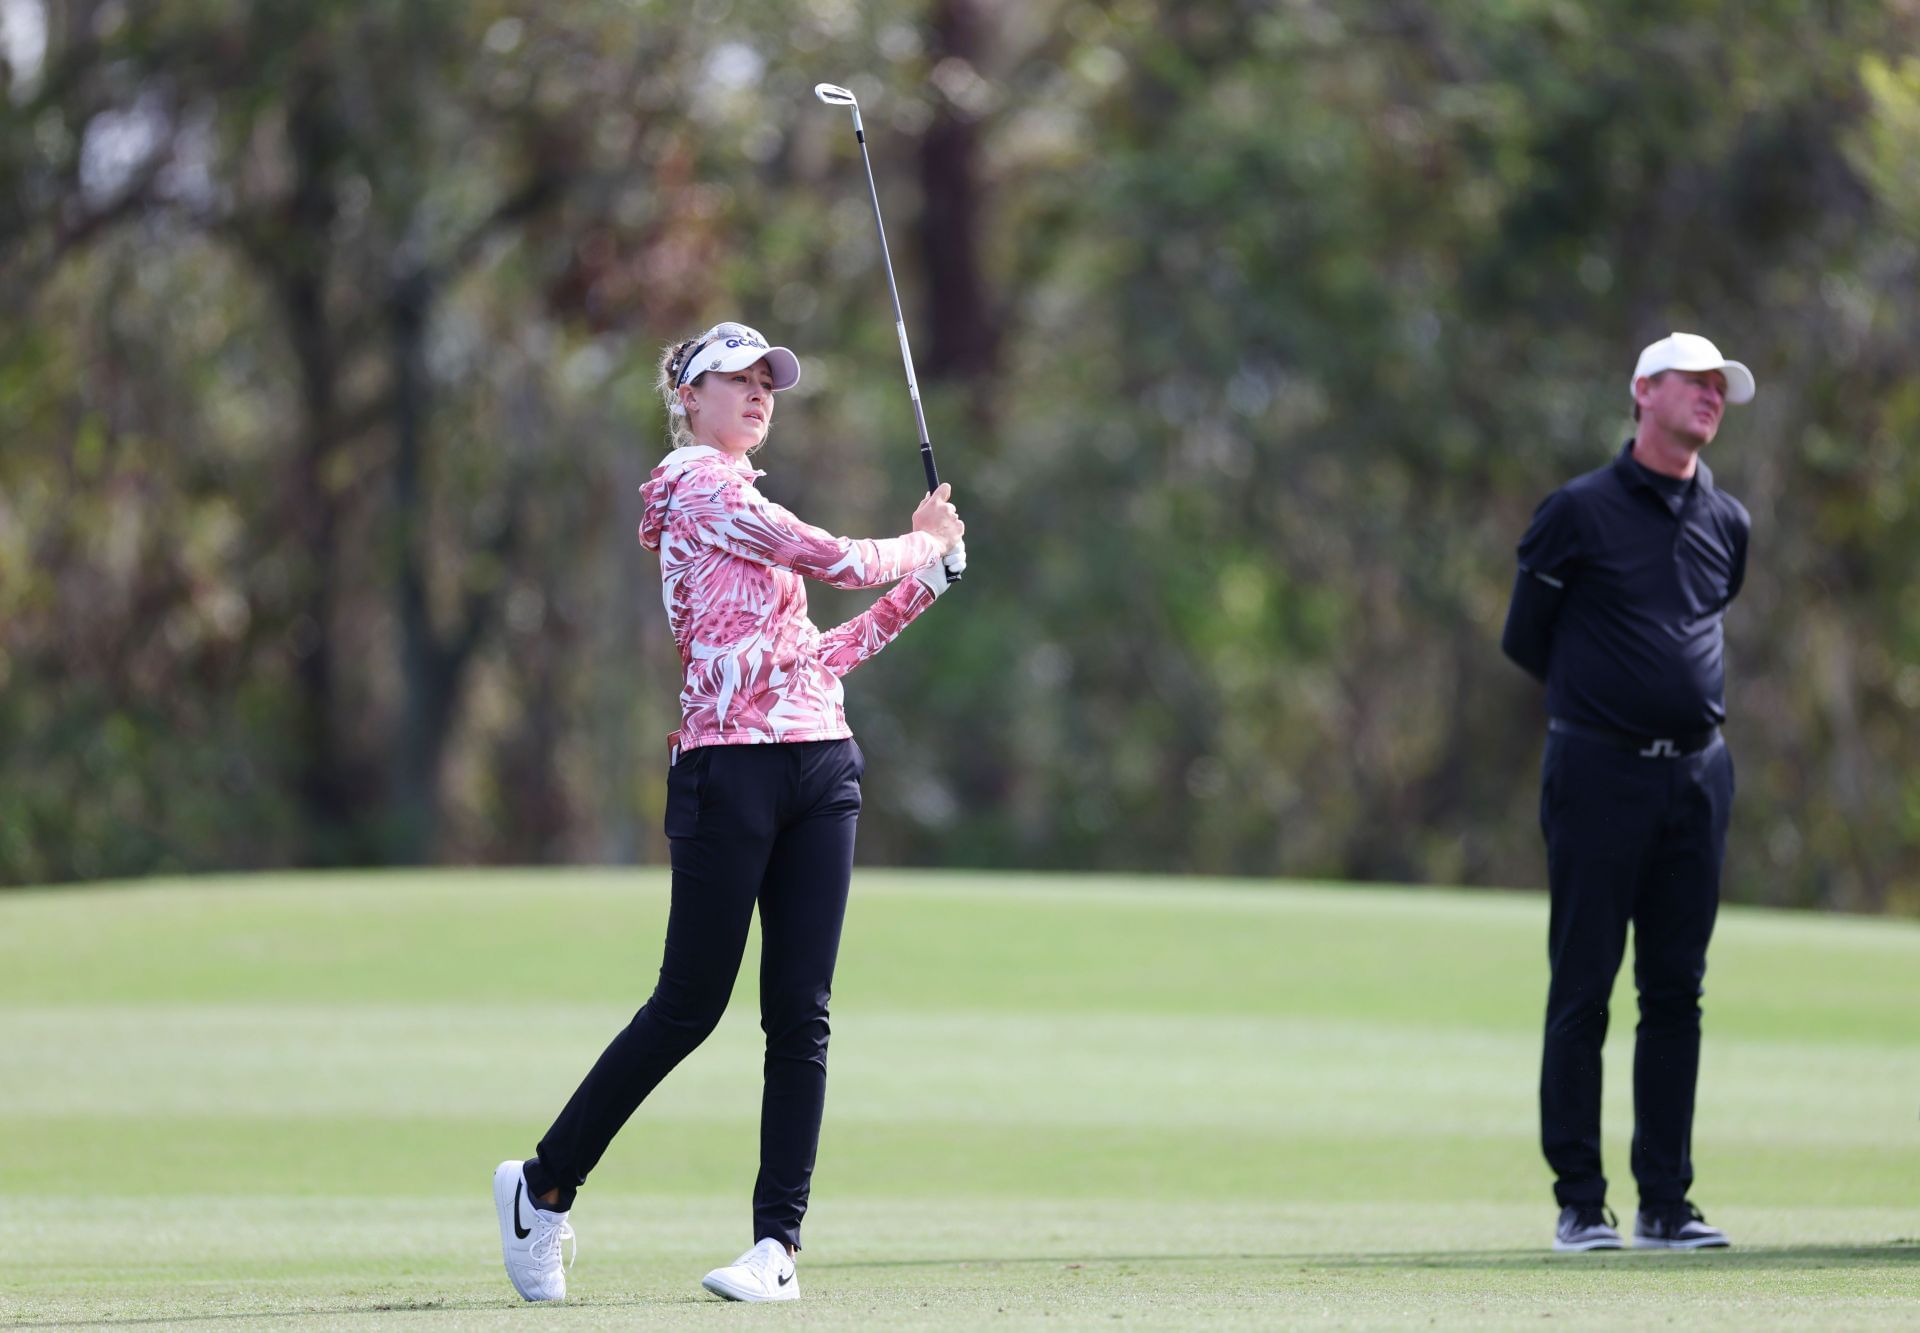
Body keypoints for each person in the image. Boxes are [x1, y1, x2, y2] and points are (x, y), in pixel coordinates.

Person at [492, 320, 966, 1304]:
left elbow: (815, 657)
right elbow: (827, 553)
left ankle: (775, 1247)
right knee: (689, 1005)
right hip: (727, 772)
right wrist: (910, 543)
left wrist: (923, 585)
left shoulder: (741, 495)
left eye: (768, 382)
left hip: (820, 762)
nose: (758, 394)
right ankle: (541, 1187)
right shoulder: (700, 487)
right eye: (735, 379)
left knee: (802, 1014)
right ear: (688, 396)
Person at [1501, 332, 1753, 1253]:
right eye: (1695, 381)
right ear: (1643, 391)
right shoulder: (1577, 513)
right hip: (1598, 771)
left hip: (1698, 774)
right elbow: (1528, 639)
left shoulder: (1728, 521)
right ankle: (1580, 1200)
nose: (1711, 396)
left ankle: (1665, 1203)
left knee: (1676, 991)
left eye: (1720, 387)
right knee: (1584, 986)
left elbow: (1703, 619)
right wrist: (1605, 707)